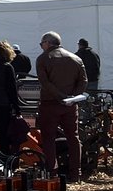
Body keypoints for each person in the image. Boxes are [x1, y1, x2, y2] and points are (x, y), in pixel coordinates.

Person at [35, 32, 87, 180]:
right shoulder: (76, 58)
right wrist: (73, 97)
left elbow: (45, 83)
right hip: (70, 105)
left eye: (41, 44)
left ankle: (52, 171)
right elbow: (83, 81)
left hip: (50, 104)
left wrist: (60, 96)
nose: (41, 46)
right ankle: (75, 172)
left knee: (48, 138)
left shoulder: (43, 59)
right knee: (73, 137)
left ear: (47, 43)